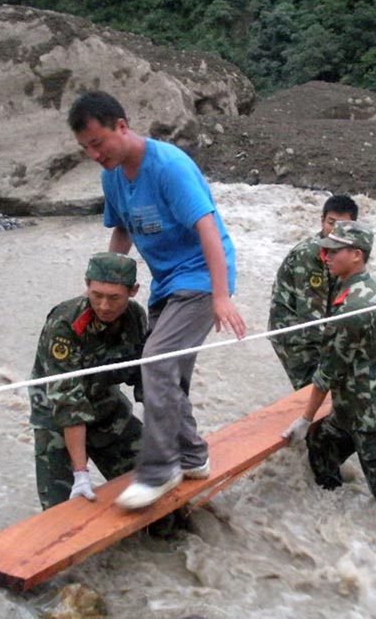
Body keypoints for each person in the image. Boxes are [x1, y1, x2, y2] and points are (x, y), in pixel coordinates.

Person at [68, 91, 247, 510]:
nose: (94, 154)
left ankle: (161, 469)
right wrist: (107, 282)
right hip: (166, 282)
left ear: (122, 127)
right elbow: (122, 230)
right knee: (166, 375)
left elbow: (208, 227)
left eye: (98, 143)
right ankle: (193, 456)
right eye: (86, 148)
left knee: (156, 361)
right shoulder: (112, 176)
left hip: (201, 276)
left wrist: (221, 295)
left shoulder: (169, 167)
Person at [281, 221, 376, 526]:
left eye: (335, 251)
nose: (327, 256)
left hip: (371, 415)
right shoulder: (370, 288)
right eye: (326, 250)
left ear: (357, 255)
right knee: (321, 445)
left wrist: (305, 419)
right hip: (356, 407)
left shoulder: (352, 307)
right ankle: (333, 512)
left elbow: (328, 371)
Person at [28, 252, 146, 510]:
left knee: (151, 479)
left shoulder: (135, 318)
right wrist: (81, 473)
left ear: (133, 291)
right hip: (56, 412)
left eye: (114, 298)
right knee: (60, 512)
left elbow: (143, 378)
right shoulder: (65, 323)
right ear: (87, 285)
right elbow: (68, 402)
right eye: (97, 295)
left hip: (104, 402)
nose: (104, 306)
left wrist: (168, 431)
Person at [268, 194, 359, 389]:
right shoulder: (310, 256)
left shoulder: (351, 252)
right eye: (330, 223)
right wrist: (334, 356)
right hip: (293, 332)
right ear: (322, 221)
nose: (334, 230)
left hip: (319, 323)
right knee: (313, 388)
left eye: (342, 226)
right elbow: (311, 320)